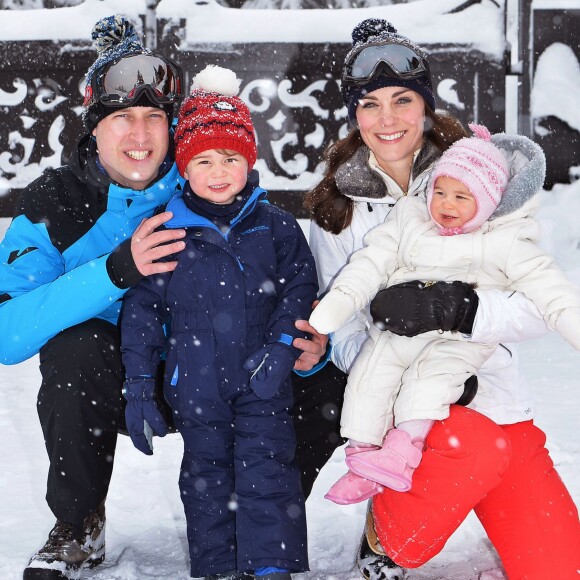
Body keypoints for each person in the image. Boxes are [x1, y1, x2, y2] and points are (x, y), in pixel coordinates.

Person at [0, 15, 326, 580]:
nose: (140, 134)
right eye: (121, 117)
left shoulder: (203, 177)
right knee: (74, 351)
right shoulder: (53, 201)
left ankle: (262, 525)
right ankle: (78, 525)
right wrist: (115, 271)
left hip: (224, 370)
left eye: (154, 117)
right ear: (92, 126)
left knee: (321, 374)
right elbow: (8, 333)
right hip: (126, 385)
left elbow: (284, 268)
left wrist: (312, 341)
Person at [302, 17, 580, 580]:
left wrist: (464, 310)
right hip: (414, 410)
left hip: (496, 394)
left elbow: (535, 302)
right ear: (354, 115)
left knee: (559, 567)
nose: (388, 119)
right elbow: (343, 329)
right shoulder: (341, 210)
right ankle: (386, 538)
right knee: (469, 445)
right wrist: (402, 364)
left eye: (402, 100)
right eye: (370, 104)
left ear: (425, 105)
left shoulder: (479, 175)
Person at [309, 122, 580, 505]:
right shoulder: (411, 221)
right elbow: (368, 265)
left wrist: (460, 309)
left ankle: (402, 451)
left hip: (459, 344)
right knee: (371, 374)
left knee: (426, 382)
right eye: (440, 192)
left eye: (461, 196)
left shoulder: (504, 241)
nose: (447, 205)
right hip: (399, 332)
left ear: (486, 203)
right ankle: (363, 457)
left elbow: (553, 296)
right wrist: (341, 304)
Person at [120, 65, 317, 580]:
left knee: (267, 467)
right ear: (183, 169)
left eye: (230, 157)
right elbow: (142, 311)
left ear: (248, 160)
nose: (218, 171)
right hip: (196, 383)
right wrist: (141, 380)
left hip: (263, 377)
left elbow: (299, 288)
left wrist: (281, 346)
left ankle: (270, 564)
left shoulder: (274, 226)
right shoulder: (165, 230)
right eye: (202, 160)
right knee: (206, 477)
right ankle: (217, 568)